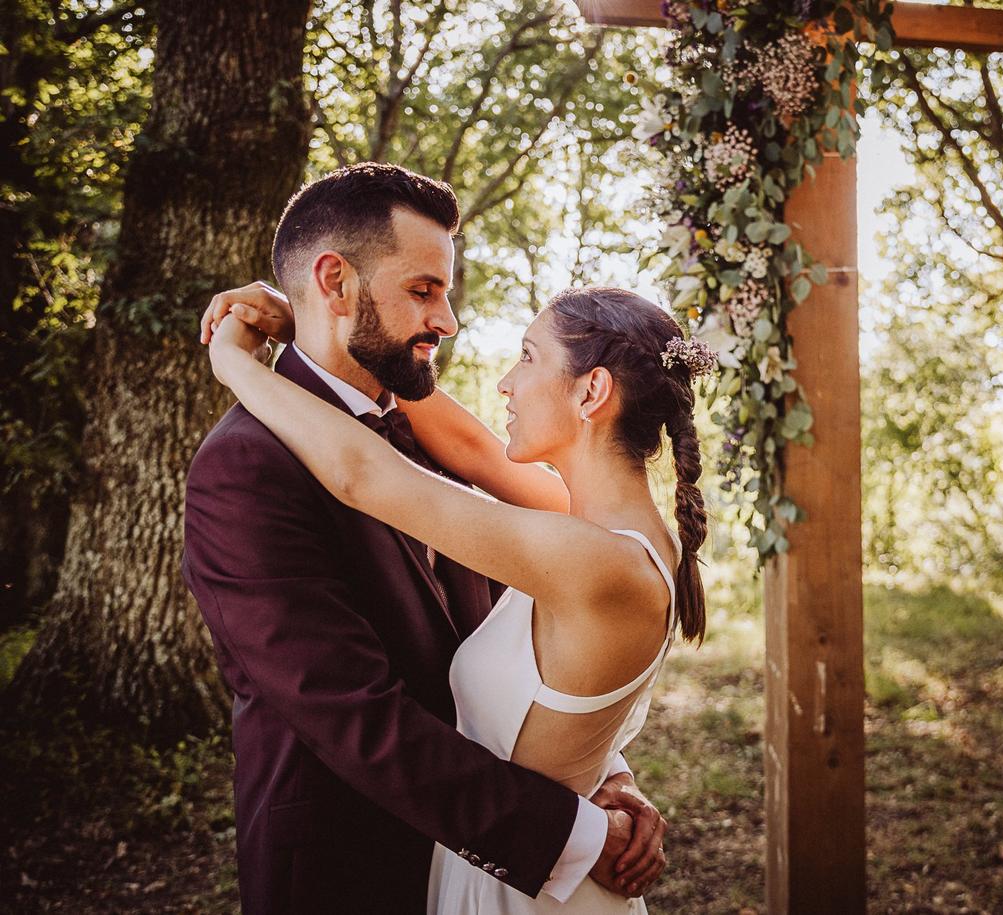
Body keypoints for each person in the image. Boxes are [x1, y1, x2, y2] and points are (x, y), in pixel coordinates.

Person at [182, 163, 677, 915]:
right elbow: (358, 719)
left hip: (485, 866)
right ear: (335, 281)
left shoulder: (416, 441)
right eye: (423, 290)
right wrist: (578, 823)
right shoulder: (243, 466)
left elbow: (524, 657)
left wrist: (592, 763)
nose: (447, 321)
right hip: (351, 876)